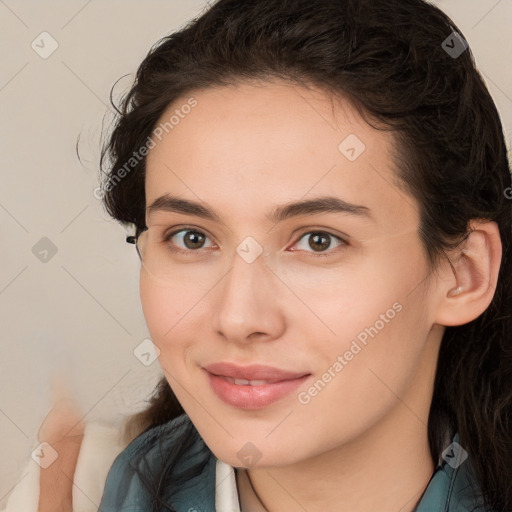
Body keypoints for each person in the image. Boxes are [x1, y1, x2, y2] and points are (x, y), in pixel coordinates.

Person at [11, 0, 512, 510]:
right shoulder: (76, 487)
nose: (237, 318)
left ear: (462, 273)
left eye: (318, 240)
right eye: (191, 237)